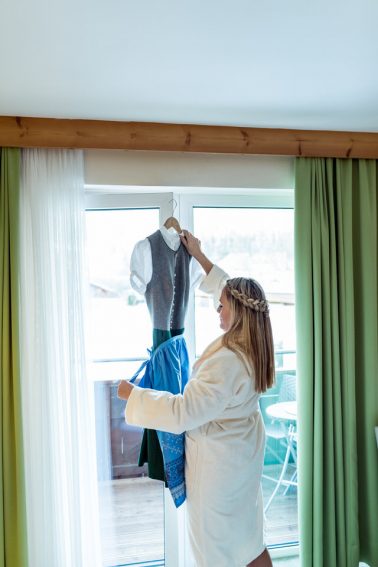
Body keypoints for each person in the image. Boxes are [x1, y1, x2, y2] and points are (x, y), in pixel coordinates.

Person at [118, 231, 275, 567]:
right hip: (242, 458)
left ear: (239, 311)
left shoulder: (227, 361)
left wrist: (135, 396)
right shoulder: (255, 346)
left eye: (223, 306)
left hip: (219, 472)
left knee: (215, 552)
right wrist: (200, 256)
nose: (217, 309)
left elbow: (183, 413)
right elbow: (228, 288)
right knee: (250, 541)